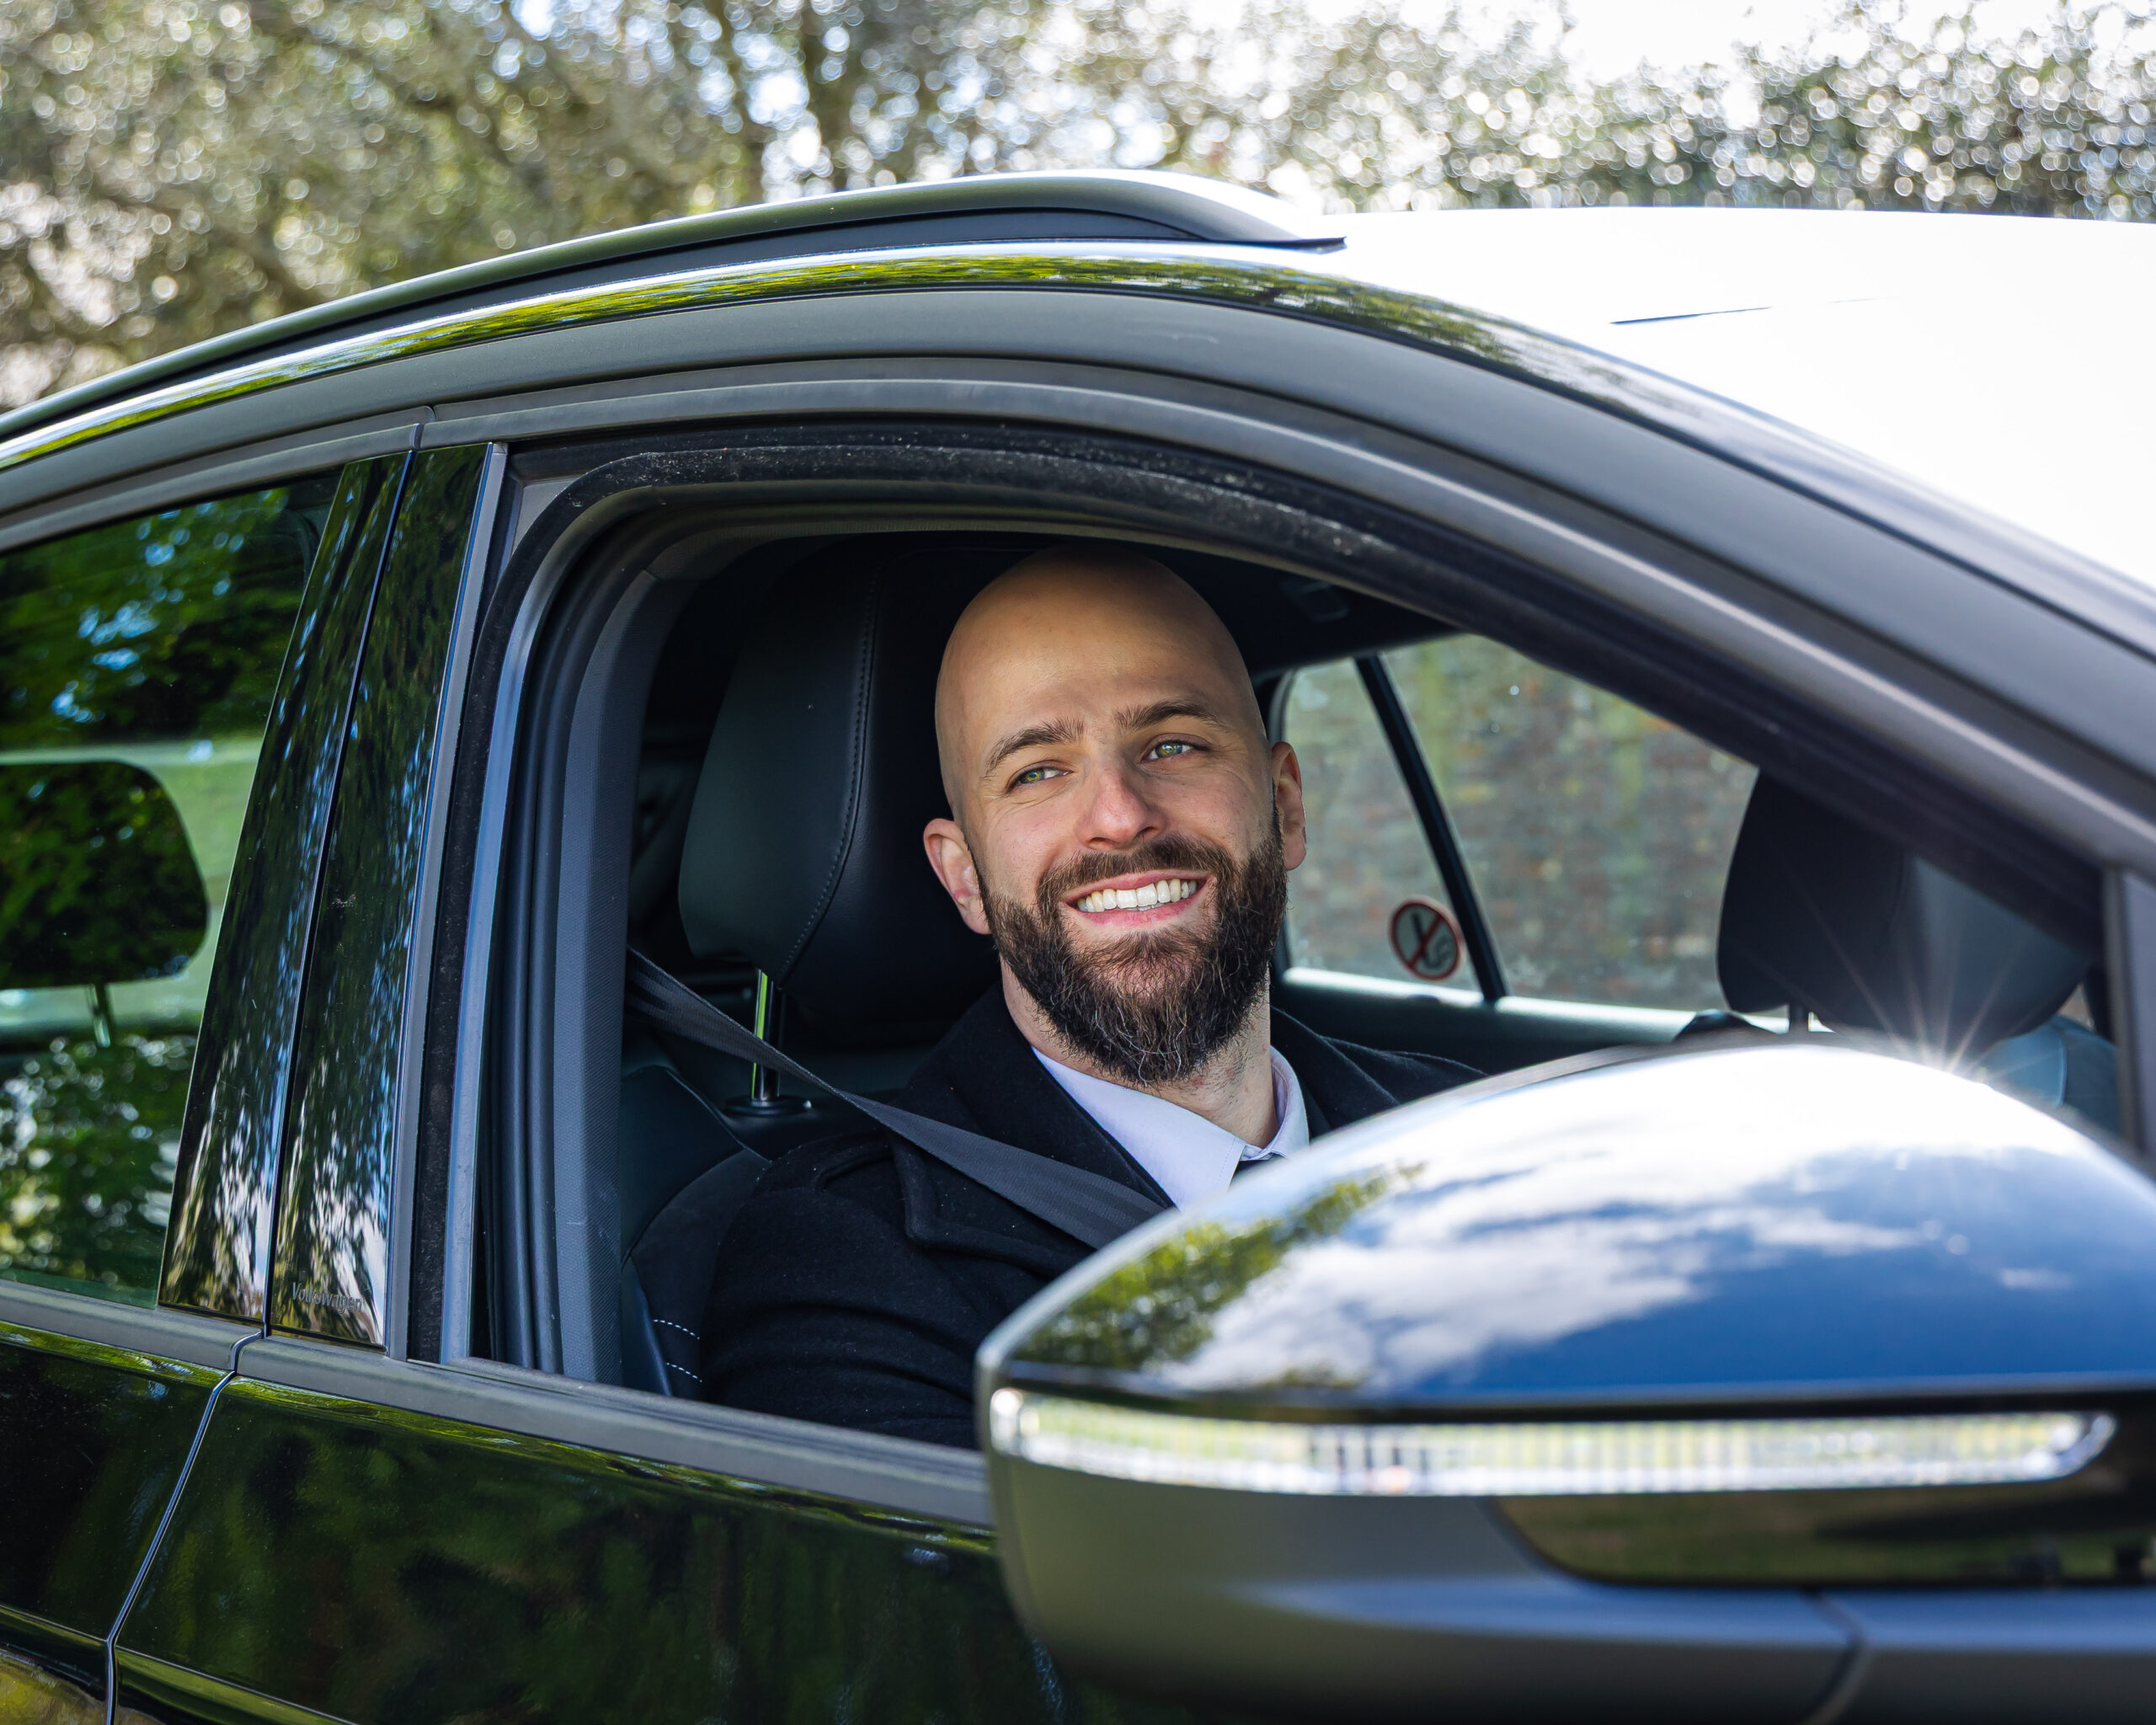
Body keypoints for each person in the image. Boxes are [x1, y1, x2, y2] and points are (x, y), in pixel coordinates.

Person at [699, 546, 1477, 1446]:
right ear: (964, 877)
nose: (1119, 814)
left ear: (1284, 805)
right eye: (1037, 770)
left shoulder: (1472, 1136)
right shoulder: (848, 1259)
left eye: (1173, 744)